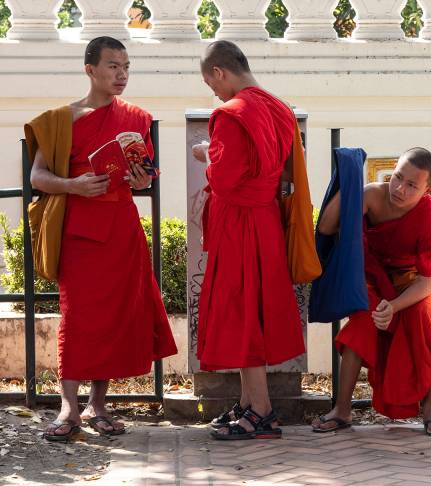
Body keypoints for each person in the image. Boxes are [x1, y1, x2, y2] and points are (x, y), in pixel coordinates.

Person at [27, 36, 177, 442]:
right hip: (79, 227)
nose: (122, 74)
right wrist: (73, 185)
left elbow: (142, 171)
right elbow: (37, 177)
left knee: (113, 317)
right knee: (78, 317)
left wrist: (142, 178)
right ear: (90, 69)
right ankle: (67, 406)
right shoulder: (61, 119)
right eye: (113, 66)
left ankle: (97, 404)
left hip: (121, 227)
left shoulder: (136, 118)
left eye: (127, 66)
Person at [193, 40, 305, 440]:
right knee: (255, 309)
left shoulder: (231, 113)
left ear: (220, 72)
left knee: (243, 313)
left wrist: (206, 154)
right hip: (267, 220)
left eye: (212, 83)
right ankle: (248, 402)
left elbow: (224, 178)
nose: (215, 93)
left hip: (239, 223)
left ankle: (261, 411)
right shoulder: (279, 108)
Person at [311, 148, 431, 436]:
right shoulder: (373, 195)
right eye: (397, 177)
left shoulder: (430, 218)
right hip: (369, 279)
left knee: (420, 319)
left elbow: (426, 282)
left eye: (412, 185)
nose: (399, 188)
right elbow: (326, 227)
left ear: (429, 189)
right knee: (362, 323)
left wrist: (395, 306)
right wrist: (352, 190)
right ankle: (342, 409)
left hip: (409, 286)